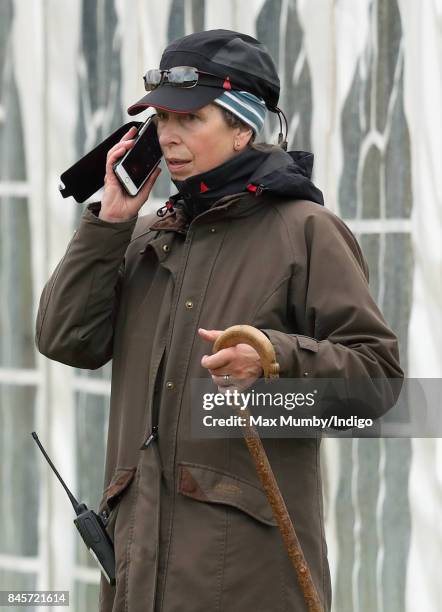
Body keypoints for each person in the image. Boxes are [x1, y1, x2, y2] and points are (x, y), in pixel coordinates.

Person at [36, 29, 403, 612]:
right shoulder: (145, 234)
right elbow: (64, 340)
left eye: (191, 119)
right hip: (136, 580)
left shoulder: (306, 232)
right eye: (159, 122)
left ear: (241, 127)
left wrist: (276, 360)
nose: (169, 135)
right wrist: (108, 222)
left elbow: (383, 387)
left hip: (250, 586)